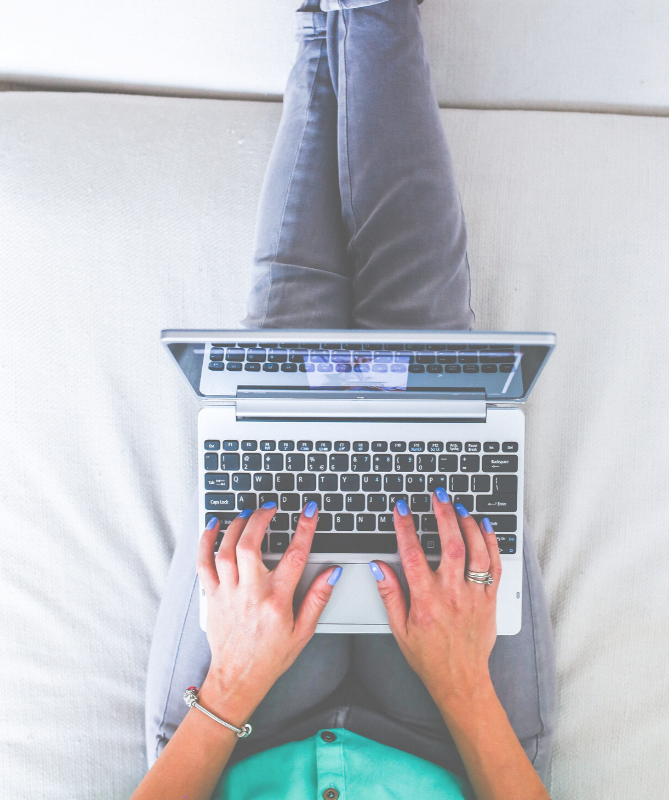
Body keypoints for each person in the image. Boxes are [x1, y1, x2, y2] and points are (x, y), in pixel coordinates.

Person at [134, 0, 556, 797]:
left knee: (285, 362)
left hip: (234, 733)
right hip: (456, 743)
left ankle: (328, 20)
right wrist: (465, 684)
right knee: (424, 346)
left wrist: (230, 684)